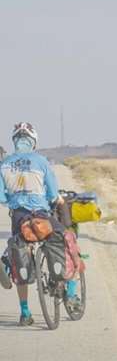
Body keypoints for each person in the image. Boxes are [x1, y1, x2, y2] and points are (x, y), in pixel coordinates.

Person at [0, 122, 68, 326]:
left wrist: (16, 198)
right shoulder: (41, 161)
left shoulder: (4, 164)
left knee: (20, 255)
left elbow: (2, 197)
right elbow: (53, 194)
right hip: (41, 215)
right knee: (63, 238)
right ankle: (64, 286)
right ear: (33, 141)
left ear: (15, 141)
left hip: (19, 218)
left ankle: (25, 312)